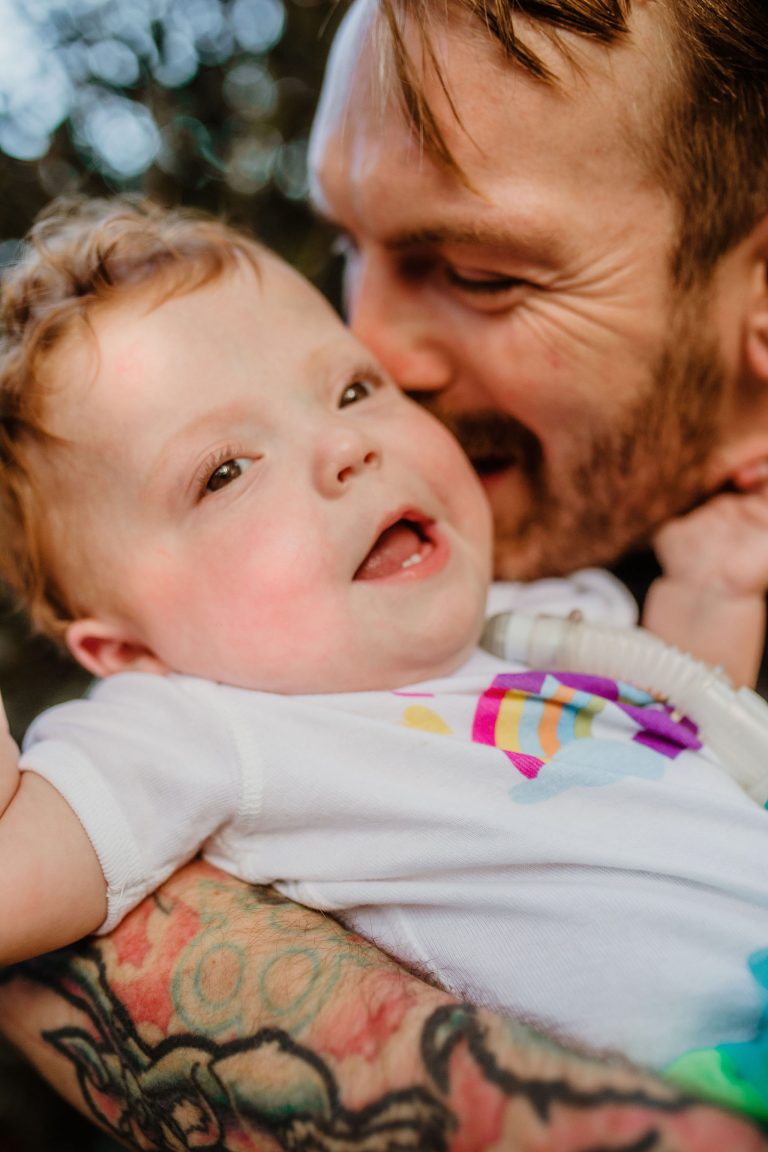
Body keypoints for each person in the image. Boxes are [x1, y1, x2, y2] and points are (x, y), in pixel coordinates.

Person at [1, 0, 768, 1146]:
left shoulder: (530, 616)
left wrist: (712, 595)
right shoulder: (198, 733)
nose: (355, 430)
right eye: (225, 471)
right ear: (125, 649)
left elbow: (677, 744)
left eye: (352, 388)